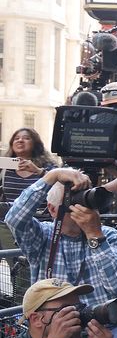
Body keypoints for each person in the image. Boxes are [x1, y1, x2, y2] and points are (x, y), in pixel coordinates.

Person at [4, 167, 117, 338]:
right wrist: (52, 176)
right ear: (53, 210)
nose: (83, 204)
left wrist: (95, 235)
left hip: (105, 327)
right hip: (55, 329)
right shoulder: (41, 236)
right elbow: (14, 218)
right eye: (74, 199)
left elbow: (116, 285)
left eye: (85, 196)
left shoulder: (108, 234)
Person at [0, 128, 58, 301]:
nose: (20, 141)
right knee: (18, 270)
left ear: (35, 143)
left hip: (39, 226)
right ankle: (21, 309)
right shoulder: (6, 164)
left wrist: (38, 171)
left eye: (26, 138)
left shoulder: (47, 167)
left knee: (35, 266)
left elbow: (61, 185)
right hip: (8, 225)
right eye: (16, 138)